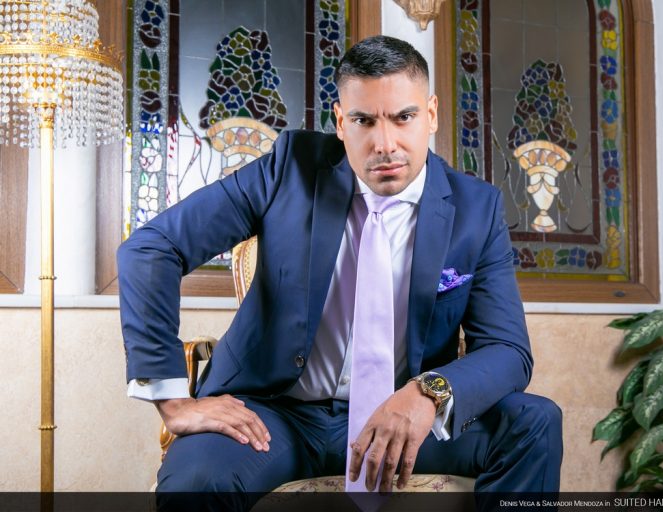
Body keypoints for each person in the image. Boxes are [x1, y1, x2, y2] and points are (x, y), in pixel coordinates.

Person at [118, 35, 562, 510]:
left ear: (431, 114)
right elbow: (152, 247)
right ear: (340, 122)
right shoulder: (290, 169)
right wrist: (174, 401)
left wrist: (427, 394)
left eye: (404, 117)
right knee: (194, 485)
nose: (385, 144)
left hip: (400, 419)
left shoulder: (476, 209)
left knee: (534, 423)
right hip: (274, 416)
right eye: (364, 120)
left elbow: (508, 350)